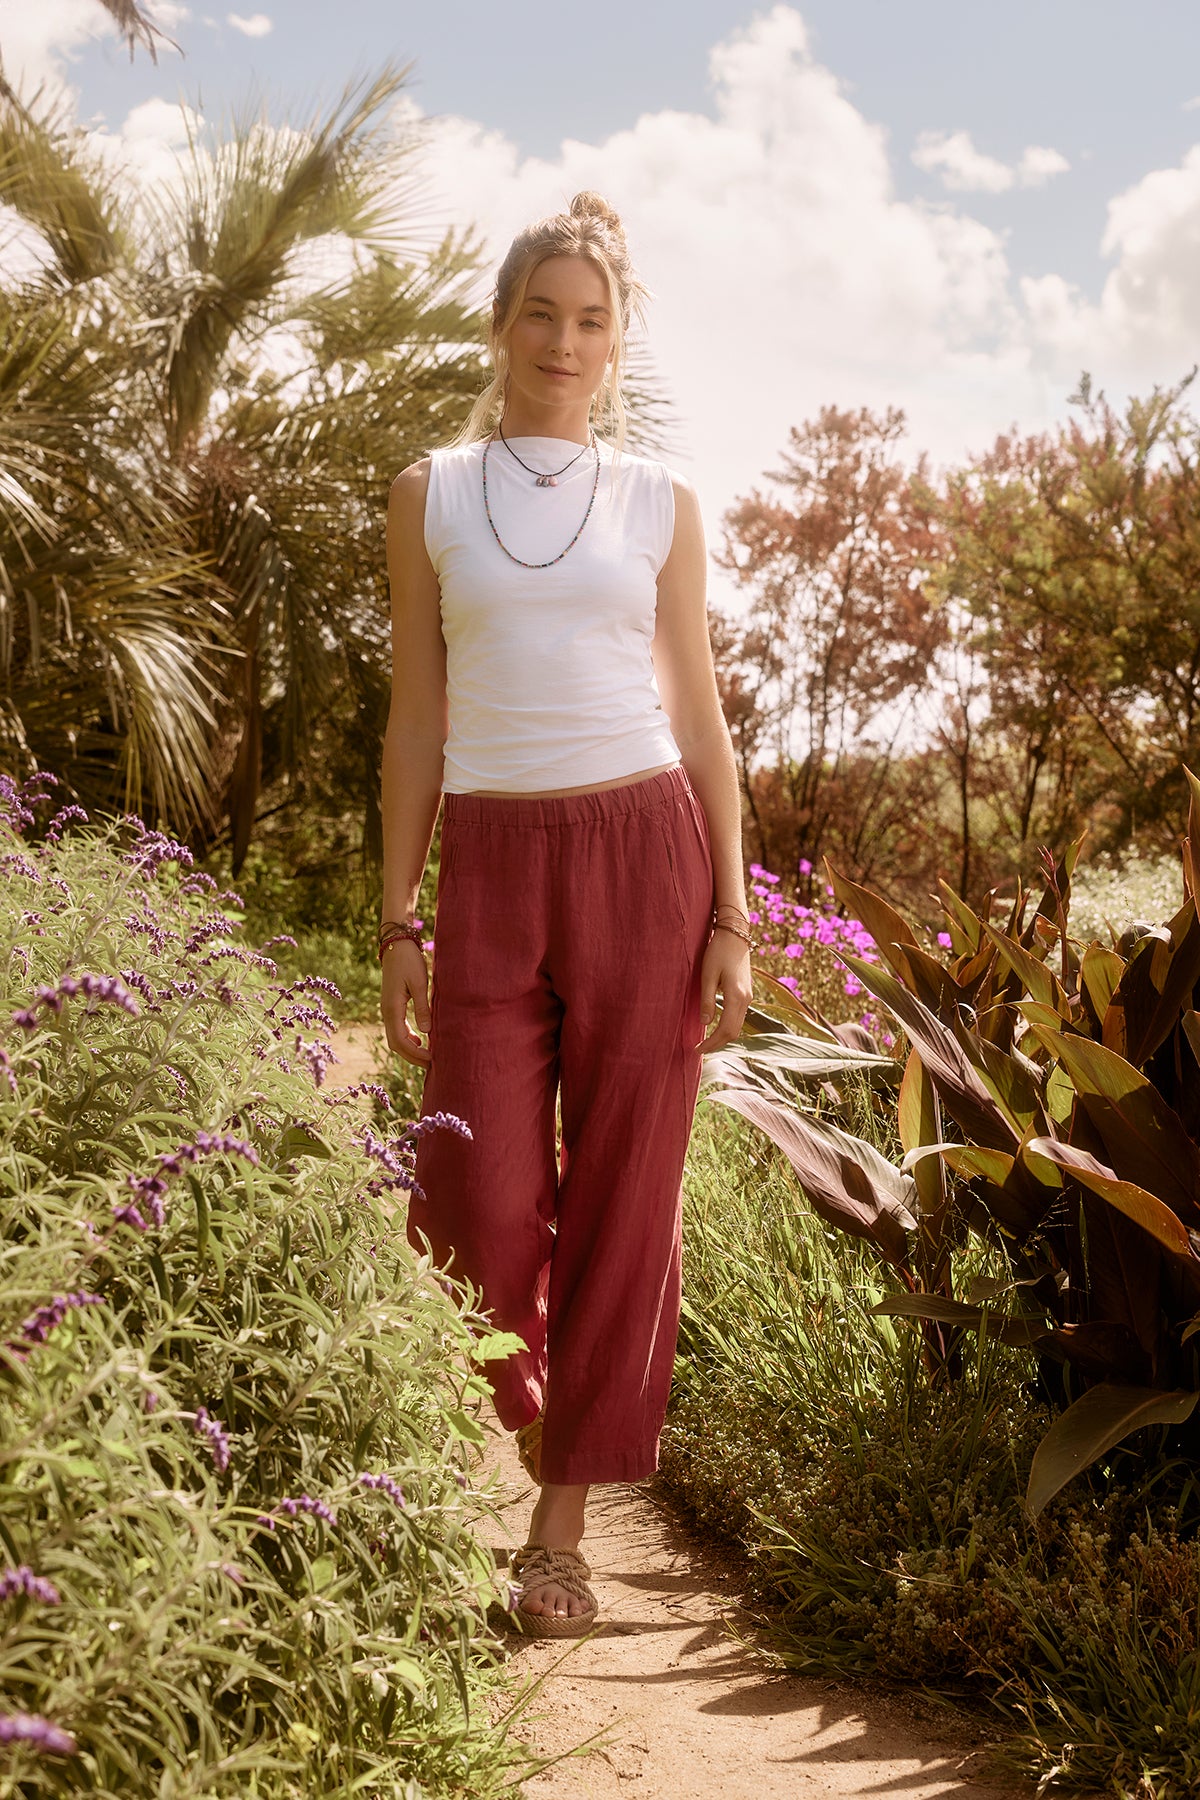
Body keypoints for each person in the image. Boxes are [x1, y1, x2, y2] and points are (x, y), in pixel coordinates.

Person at [380, 192, 752, 1637]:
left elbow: (702, 716)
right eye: (541, 310)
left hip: (644, 851)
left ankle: (559, 1535)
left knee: (623, 1202)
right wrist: (398, 916)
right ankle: (540, 1409)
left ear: (616, 343)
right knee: (471, 1200)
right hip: (490, 859)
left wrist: (733, 914)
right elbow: (417, 718)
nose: (563, 339)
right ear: (500, 323)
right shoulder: (430, 491)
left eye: (591, 319)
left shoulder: (661, 501)